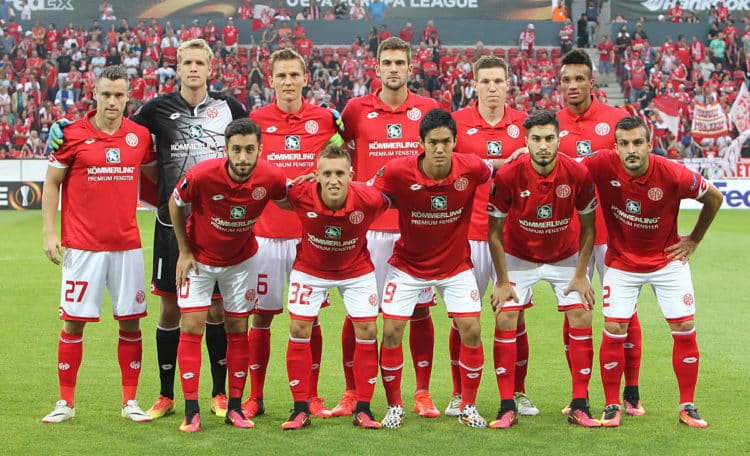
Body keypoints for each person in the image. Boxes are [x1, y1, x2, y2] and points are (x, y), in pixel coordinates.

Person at [585, 116, 722, 428]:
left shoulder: (673, 173)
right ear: (615, 147)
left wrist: (695, 239)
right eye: (624, 144)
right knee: (615, 329)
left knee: (685, 326)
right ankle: (611, 405)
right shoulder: (601, 164)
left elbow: (714, 197)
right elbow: (565, 169)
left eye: (637, 143)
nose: (631, 150)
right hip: (621, 262)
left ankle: (688, 405)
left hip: (667, 261)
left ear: (649, 144)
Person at [41, 65, 157, 424]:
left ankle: (130, 403)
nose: (112, 101)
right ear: (93, 93)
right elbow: (51, 182)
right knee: (73, 324)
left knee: (131, 324)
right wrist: (49, 233)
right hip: (82, 248)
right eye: (106, 94)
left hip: (127, 246)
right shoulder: (72, 134)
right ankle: (65, 403)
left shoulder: (140, 136)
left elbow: (159, 175)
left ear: (128, 96)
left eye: (119, 95)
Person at [338, 37, 440, 419]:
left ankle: (422, 393)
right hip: (369, 227)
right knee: (359, 313)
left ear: (410, 68)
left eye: (401, 62)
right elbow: (339, 149)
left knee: (419, 311)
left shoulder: (428, 109)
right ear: (376, 69)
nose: (394, 68)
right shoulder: (354, 110)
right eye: (387, 62)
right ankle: (352, 392)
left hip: (417, 227)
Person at [242, 48, 344, 420]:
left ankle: (312, 396)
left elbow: (348, 156)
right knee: (262, 317)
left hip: (309, 237)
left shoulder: (325, 120)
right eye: (281, 76)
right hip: (265, 236)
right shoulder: (255, 120)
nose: (287, 82)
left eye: (293, 75)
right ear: (270, 80)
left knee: (310, 318)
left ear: (305, 79)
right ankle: (255, 396)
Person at [374, 108, 491, 429]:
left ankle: (468, 406)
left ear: (455, 141)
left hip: (455, 266)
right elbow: (371, 194)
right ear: (421, 143)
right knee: (392, 331)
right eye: (433, 142)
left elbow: (497, 171)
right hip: (408, 266)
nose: (440, 148)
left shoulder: (472, 168)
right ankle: (395, 405)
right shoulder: (398, 171)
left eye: (446, 141)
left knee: (472, 329)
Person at [168, 118, 287, 432]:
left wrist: (312, 190)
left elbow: (288, 199)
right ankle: (191, 410)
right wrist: (184, 250)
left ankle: (235, 407)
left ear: (260, 149)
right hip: (199, 261)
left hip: (241, 262)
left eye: (250, 149)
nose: (243, 157)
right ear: (226, 150)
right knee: (192, 325)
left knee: (237, 326)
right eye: (237, 150)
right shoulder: (202, 175)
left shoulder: (271, 176)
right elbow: (174, 203)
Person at [487, 110, 599, 429]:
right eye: (536, 139)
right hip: (519, 256)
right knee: (506, 315)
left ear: (558, 139)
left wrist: (580, 274)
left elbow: (589, 228)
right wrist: (503, 280)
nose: (543, 146)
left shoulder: (577, 173)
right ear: (526, 141)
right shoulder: (508, 175)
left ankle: (580, 404)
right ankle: (507, 405)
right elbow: (494, 232)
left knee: (582, 314)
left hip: (565, 256)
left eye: (550, 138)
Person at [556, 49, 646, 417]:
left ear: (593, 82)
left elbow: (636, 173)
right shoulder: (550, 124)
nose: (573, 86)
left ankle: (632, 392)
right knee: (573, 311)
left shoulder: (616, 120)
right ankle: (579, 394)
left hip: (612, 234)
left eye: (580, 79)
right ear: (560, 84)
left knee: (624, 314)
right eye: (566, 80)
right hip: (567, 236)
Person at [279, 146, 389, 430]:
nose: (333, 180)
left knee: (368, 329)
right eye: (326, 173)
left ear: (351, 175)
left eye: (340, 173)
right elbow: (274, 191)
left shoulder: (369, 199)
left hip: (356, 270)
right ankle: (300, 408)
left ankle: (364, 409)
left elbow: (399, 198)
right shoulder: (300, 194)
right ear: (316, 175)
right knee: (299, 328)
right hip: (310, 269)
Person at [449, 55, 531, 417]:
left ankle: (518, 392)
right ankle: (457, 394)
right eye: (486, 82)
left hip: (510, 238)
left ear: (508, 84)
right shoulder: (458, 124)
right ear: (475, 85)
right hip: (467, 235)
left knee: (513, 316)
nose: (493, 88)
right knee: (463, 317)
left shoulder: (524, 124)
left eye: (499, 81)